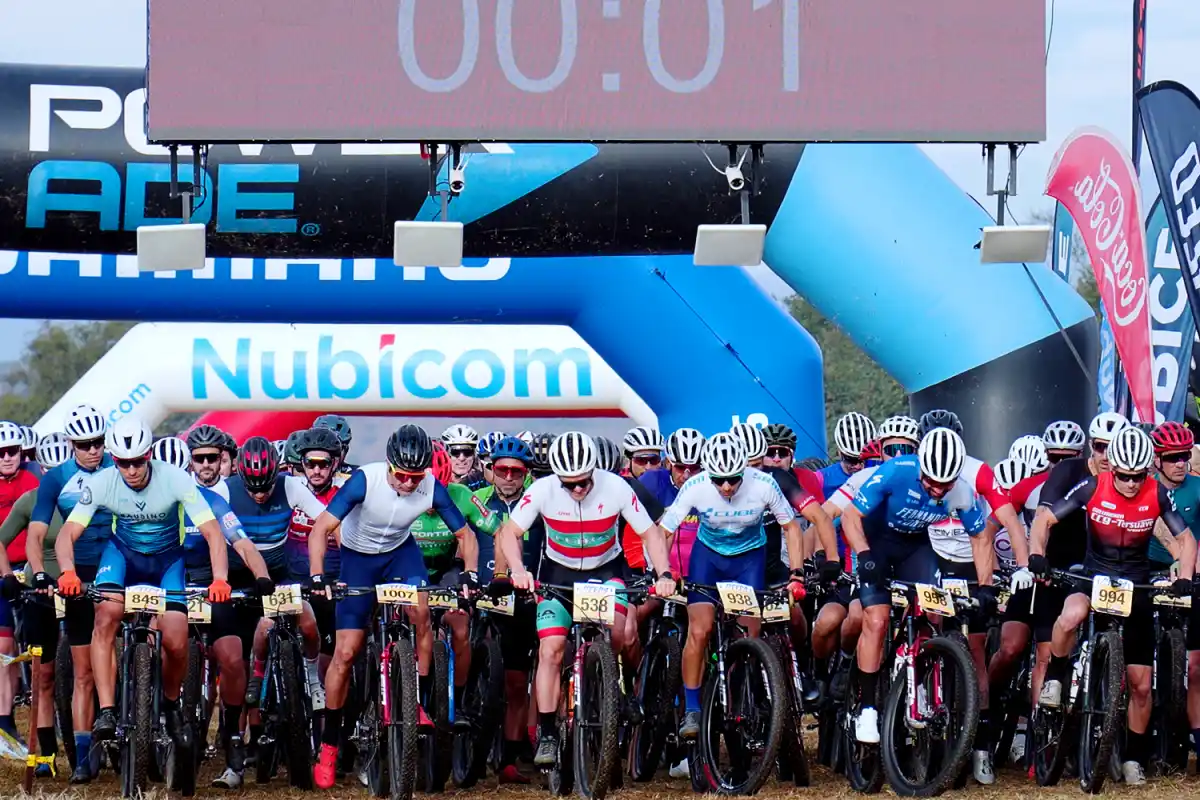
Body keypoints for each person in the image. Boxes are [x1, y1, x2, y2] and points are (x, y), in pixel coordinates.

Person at [53, 417, 233, 783]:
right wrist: (68, 572)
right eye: (123, 463)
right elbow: (67, 534)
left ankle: (170, 702)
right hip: (122, 557)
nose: (132, 470)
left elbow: (213, 533)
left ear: (149, 454)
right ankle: (107, 710)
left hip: (167, 561)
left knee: (177, 637)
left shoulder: (176, 479)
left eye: (138, 461)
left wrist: (220, 579)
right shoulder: (102, 482)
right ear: (115, 460)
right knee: (105, 615)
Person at [306, 424, 479, 788]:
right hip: (358, 560)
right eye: (401, 475)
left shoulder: (430, 486)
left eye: (415, 477)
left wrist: (471, 573)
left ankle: (415, 701)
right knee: (346, 652)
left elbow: (465, 535)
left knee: (421, 614)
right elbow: (320, 529)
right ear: (388, 465)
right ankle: (329, 745)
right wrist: (318, 575)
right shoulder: (365, 481)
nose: (408, 483)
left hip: (400, 555)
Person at [493, 431, 676, 766]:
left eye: (583, 482)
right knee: (550, 649)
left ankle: (619, 689)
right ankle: (548, 733)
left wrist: (664, 573)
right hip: (558, 576)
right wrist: (517, 569)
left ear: (594, 471)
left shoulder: (616, 487)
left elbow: (650, 532)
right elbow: (510, 532)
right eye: (570, 484)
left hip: (605, 572)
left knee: (620, 632)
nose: (578, 490)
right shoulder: (543, 489)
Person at [1031, 425, 1196, 785]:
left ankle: (1134, 758)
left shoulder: (1157, 493)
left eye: (1138, 476)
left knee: (1141, 685)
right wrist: (1037, 554)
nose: (1132, 484)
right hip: (1094, 576)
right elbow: (1044, 518)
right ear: (1113, 469)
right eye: (1124, 476)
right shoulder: (1094, 486)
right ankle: (1056, 677)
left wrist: (1184, 575)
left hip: (1135, 583)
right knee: (1071, 615)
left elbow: (1185, 539)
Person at [663, 433, 822, 739]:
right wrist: (664, 573)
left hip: (749, 560)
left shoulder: (763, 484)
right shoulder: (696, 487)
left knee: (751, 635)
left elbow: (791, 527)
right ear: (708, 473)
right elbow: (665, 531)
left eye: (733, 479)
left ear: (744, 471)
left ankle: (746, 692)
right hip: (708, 560)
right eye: (718, 480)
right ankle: (693, 708)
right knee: (700, 630)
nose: (726, 487)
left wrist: (796, 575)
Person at [841, 427, 993, 744]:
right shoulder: (896, 471)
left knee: (934, 615)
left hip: (915, 548)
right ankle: (867, 708)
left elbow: (980, 538)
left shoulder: (961, 491)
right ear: (921, 467)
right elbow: (850, 517)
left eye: (945, 484)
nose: (937, 490)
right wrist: (864, 555)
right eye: (931, 482)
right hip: (876, 543)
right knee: (877, 620)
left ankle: (919, 683)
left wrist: (985, 586)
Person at [26, 404, 113, 783]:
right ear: (71, 444)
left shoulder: (121, 465)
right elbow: (35, 535)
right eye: (84, 444)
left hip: (119, 567)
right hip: (78, 574)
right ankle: (83, 755)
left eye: (98, 442)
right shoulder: (56, 479)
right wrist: (41, 573)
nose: (93, 450)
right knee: (84, 673)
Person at [473, 436, 541, 783]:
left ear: (526, 473)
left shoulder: (536, 502)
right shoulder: (476, 498)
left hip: (522, 598)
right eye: (502, 470)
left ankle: (511, 758)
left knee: (516, 683)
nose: (509, 477)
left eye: (517, 471)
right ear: (491, 469)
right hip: (479, 592)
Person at [0, 421, 40, 744]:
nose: (6, 458)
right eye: (0, 453)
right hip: (3, 569)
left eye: (12, 451)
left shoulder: (34, 478)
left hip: (31, 566)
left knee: (38, 643)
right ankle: (5, 719)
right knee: (4, 647)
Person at [442, 423, 487, 489]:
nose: (461, 458)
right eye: (455, 452)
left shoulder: (484, 481)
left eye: (467, 452)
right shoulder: (436, 482)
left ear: (474, 455)